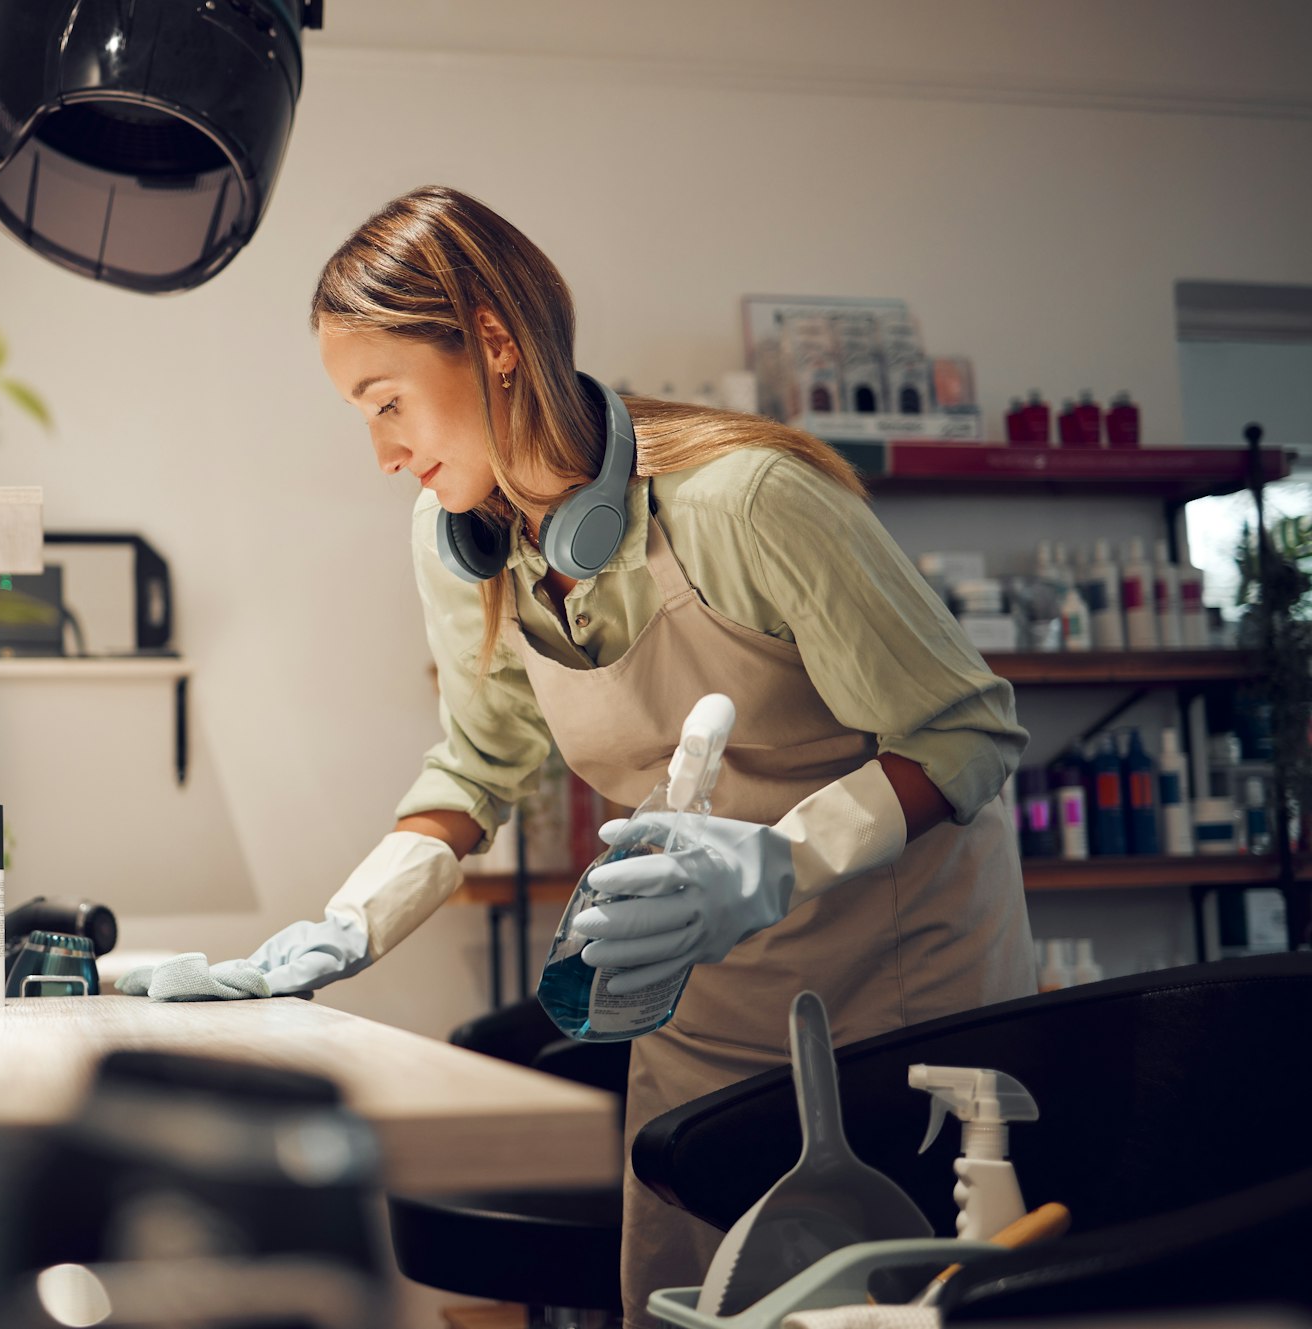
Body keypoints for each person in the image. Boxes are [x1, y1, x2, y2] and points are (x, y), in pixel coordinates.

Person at [236, 185, 1036, 1317]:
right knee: (690, 1291)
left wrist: (773, 862)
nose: (380, 454)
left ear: (495, 345)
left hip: (902, 985)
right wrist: (346, 924)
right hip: (700, 998)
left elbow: (964, 731)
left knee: (889, 1293)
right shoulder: (459, 543)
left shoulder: (745, 500)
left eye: (386, 403)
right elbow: (477, 767)